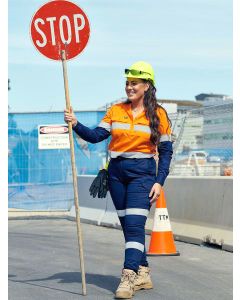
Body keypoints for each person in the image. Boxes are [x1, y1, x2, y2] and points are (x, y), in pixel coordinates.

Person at [64, 61, 173, 299]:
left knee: (134, 226)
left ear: (147, 85)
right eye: (127, 83)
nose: (129, 87)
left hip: (142, 174)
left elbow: (166, 152)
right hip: (116, 174)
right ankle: (143, 272)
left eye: (134, 83)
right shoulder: (116, 110)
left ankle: (128, 276)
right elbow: (95, 136)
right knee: (128, 226)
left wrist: (159, 181)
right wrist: (75, 123)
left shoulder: (159, 114)